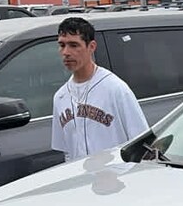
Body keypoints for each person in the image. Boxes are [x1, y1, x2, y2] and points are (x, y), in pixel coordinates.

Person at [51, 16, 148, 162]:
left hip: (115, 179)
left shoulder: (115, 89)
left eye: (74, 45)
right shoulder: (60, 97)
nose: (66, 52)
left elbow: (141, 144)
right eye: (62, 45)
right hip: (80, 179)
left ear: (91, 47)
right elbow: (66, 152)